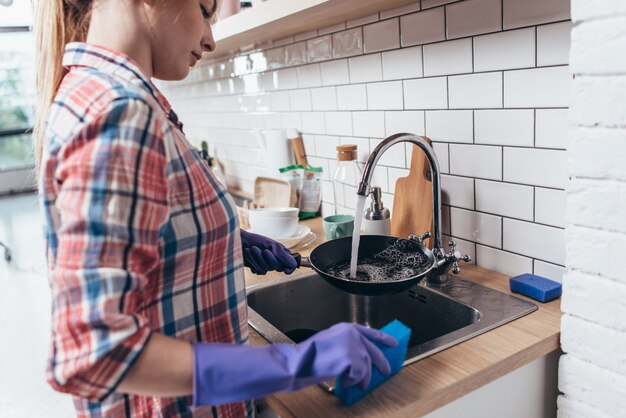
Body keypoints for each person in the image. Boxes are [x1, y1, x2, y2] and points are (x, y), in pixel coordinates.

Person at [33, 0, 398, 417]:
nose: (209, 38)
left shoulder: (96, 94)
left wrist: (219, 240)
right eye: (206, 9)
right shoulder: (120, 112)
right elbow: (94, 352)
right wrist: (295, 363)